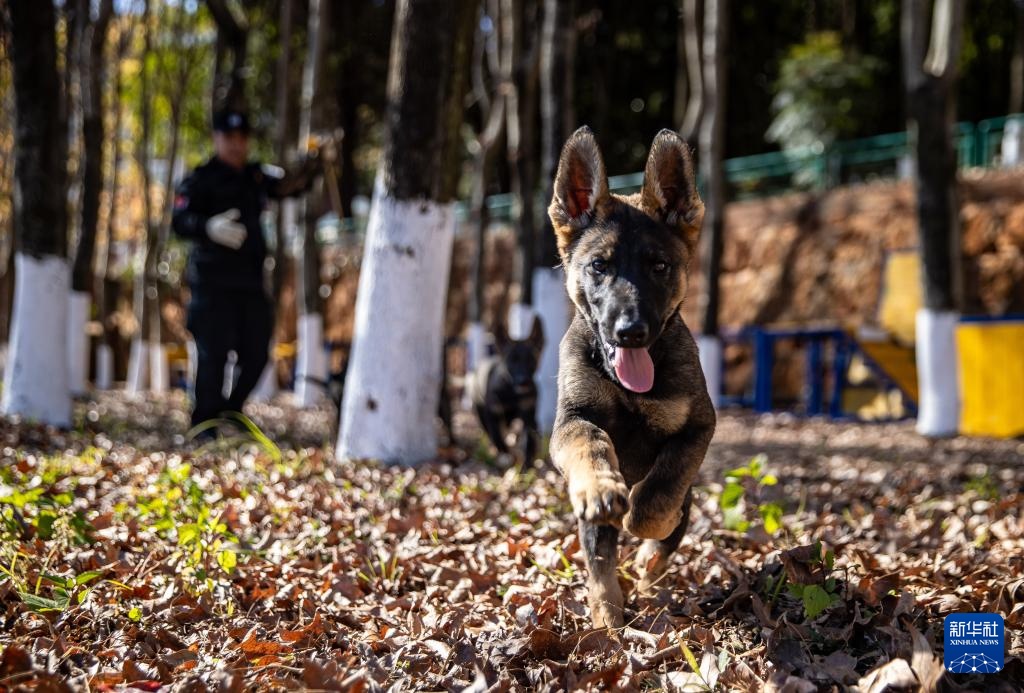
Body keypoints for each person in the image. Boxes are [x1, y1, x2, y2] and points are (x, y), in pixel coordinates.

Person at [172, 109, 318, 432]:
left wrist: (313, 162)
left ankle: (231, 411)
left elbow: (289, 186)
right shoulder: (200, 179)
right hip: (211, 283)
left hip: (250, 283)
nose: (236, 145)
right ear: (217, 138)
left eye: (242, 138)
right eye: (229, 138)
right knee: (214, 355)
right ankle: (205, 423)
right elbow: (178, 221)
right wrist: (207, 227)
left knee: (257, 352)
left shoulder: (255, 176)